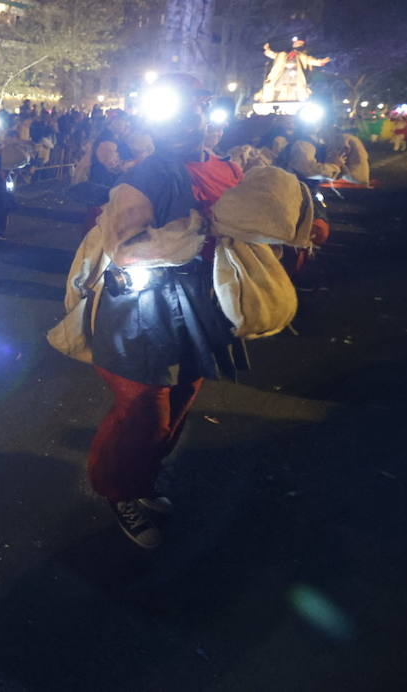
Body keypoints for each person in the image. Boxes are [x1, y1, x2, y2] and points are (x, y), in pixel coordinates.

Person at [82, 76, 244, 550]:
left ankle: (143, 478)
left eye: (196, 110)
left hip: (200, 302)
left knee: (180, 402)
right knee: (143, 409)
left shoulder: (228, 169)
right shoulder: (148, 174)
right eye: (176, 114)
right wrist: (193, 235)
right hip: (142, 305)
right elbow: (123, 247)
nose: (186, 122)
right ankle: (119, 492)